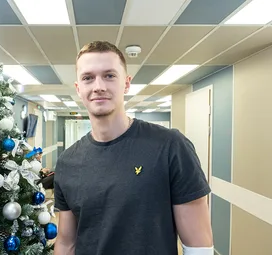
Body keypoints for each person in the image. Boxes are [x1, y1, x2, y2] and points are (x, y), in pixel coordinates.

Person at [53, 41, 214, 255]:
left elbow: (198, 246)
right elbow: (66, 243)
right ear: (78, 88)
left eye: (109, 75)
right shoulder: (67, 161)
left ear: (127, 84)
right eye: (88, 77)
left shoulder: (170, 146)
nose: (98, 86)